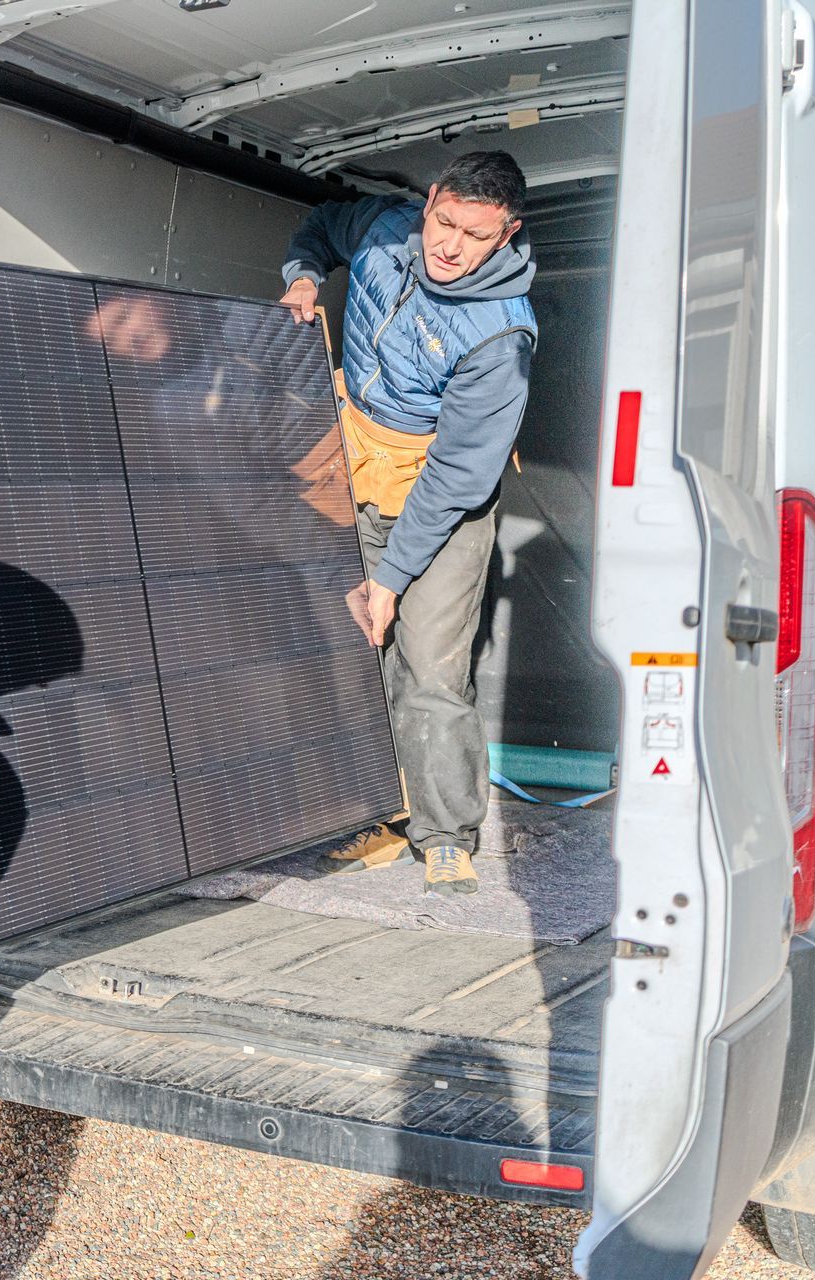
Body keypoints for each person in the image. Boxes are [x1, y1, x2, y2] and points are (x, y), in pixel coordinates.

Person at [277, 151, 538, 896]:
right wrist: (302, 273)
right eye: (445, 223)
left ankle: (447, 834)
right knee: (359, 656)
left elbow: (460, 473)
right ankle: (386, 814)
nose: (450, 247)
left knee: (430, 669)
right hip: (352, 462)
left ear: (507, 232)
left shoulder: (501, 337)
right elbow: (323, 228)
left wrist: (390, 577)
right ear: (428, 203)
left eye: (476, 235)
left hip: (440, 497)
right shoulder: (386, 229)